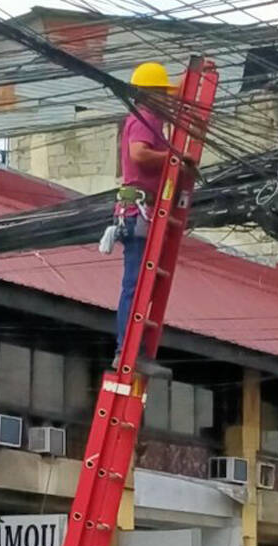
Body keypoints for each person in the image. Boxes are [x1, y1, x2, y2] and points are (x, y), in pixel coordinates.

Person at [115, 61, 176, 357]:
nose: (168, 100)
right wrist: (175, 158)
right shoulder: (146, 117)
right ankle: (127, 349)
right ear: (152, 93)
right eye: (164, 93)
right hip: (138, 210)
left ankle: (130, 347)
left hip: (141, 211)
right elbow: (139, 154)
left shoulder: (151, 120)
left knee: (140, 283)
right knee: (135, 284)